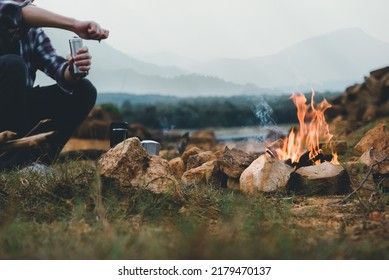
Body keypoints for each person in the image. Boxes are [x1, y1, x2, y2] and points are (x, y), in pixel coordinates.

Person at [0, 0, 109, 169]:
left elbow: (58, 69)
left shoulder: (33, 34)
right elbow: (12, 11)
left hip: (17, 114)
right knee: (13, 65)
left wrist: (73, 69)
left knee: (83, 90)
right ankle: (9, 162)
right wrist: (74, 24)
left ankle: (36, 164)